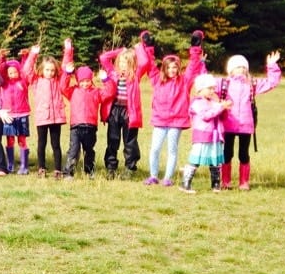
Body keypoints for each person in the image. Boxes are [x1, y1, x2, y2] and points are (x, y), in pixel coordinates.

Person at [143, 31, 206, 187]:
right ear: (164, 68)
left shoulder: (185, 81)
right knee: (155, 149)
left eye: (174, 67)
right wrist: (148, 46)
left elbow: (193, 65)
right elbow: (150, 64)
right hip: (160, 120)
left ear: (178, 68)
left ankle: (167, 178)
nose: (172, 70)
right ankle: (153, 176)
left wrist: (195, 47)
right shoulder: (157, 80)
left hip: (176, 122)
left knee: (172, 150)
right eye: (169, 67)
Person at [218, 51, 281, 190]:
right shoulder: (223, 83)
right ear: (231, 70)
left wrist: (272, 66)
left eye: (243, 67)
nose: (241, 69)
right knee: (227, 153)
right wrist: (201, 63)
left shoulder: (252, 83)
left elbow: (272, 82)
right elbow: (205, 82)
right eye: (237, 67)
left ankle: (244, 182)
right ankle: (225, 181)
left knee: (243, 154)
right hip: (228, 124)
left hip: (246, 125)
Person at [98, 33, 153, 178]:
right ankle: (111, 167)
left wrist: (139, 47)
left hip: (129, 112)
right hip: (114, 111)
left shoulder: (135, 75)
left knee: (130, 142)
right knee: (113, 140)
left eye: (127, 63)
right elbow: (103, 58)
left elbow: (145, 62)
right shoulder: (112, 73)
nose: (123, 65)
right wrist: (120, 51)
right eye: (121, 62)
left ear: (132, 64)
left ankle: (130, 167)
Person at [23, 40, 73, 178]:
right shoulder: (36, 81)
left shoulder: (58, 80)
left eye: (52, 70)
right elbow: (27, 70)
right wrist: (33, 54)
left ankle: (57, 170)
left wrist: (68, 50)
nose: (50, 72)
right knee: (42, 143)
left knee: (56, 144)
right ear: (42, 69)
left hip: (56, 118)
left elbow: (65, 67)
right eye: (47, 70)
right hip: (42, 117)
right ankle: (41, 168)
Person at [60, 65, 115, 179]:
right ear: (78, 81)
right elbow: (62, 87)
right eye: (82, 81)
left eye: (87, 81)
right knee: (74, 150)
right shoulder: (73, 91)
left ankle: (89, 172)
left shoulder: (96, 92)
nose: (85, 84)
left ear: (91, 80)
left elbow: (110, 91)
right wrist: (67, 74)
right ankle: (68, 173)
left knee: (89, 151)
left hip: (90, 127)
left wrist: (106, 79)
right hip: (76, 127)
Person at [180, 74, 231, 194]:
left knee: (215, 160)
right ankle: (185, 183)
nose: (212, 91)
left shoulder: (213, 102)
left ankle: (216, 184)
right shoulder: (197, 103)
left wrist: (224, 109)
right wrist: (220, 107)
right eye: (209, 88)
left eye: (213, 88)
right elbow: (206, 116)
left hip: (215, 136)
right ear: (200, 89)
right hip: (202, 135)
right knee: (196, 159)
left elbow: (222, 117)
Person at [0, 53, 30, 174]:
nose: (13, 74)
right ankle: (10, 164)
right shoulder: (4, 83)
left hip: (22, 114)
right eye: (10, 73)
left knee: (22, 140)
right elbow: (0, 70)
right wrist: (2, 58)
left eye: (15, 72)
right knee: (10, 140)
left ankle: (24, 166)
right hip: (9, 115)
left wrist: (25, 57)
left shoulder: (24, 81)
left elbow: (26, 69)